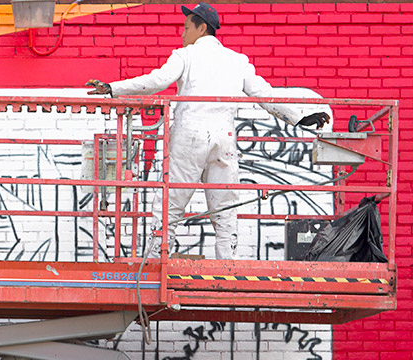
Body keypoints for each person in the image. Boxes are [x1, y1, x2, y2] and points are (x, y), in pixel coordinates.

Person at [86, 3, 330, 258]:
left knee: (171, 205)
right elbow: (264, 94)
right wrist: (300, 117)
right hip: (224, 139)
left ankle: (157, 261)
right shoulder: (237, 61)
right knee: (225, 208)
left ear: (201, 28)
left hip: (189, 136)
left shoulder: (185, 56)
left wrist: (113, 88)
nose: (182, 34)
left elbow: (156, 81)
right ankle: (227, 268)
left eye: (186, 27)